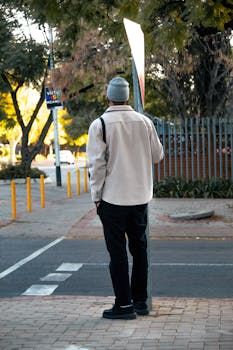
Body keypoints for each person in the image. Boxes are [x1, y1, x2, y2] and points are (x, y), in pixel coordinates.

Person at [87, 76, 164, 320]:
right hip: (140, 197)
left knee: (118, 253)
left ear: (108, 97)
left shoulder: (100, 124)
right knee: (140, 249)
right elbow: (157, 156)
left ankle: (123, 304)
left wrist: (96, 197)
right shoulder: (144, 122)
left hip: (112, 198)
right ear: (128, 97)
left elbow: (97, 166)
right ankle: (140, 301)